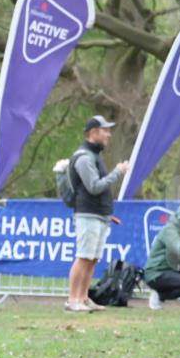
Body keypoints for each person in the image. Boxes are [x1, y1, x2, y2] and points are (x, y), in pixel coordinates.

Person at [65, 116, 128, 313]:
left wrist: (107, 214)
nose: (108, 134)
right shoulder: (84, 158)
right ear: (93, 133)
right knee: (84, 256)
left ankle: (83, 298)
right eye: (105, 130)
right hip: (88, 215)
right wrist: (117, 172)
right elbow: (93, 187)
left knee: (92, 259)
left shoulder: (95, 156)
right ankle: (72, 300)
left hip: (98, 216)